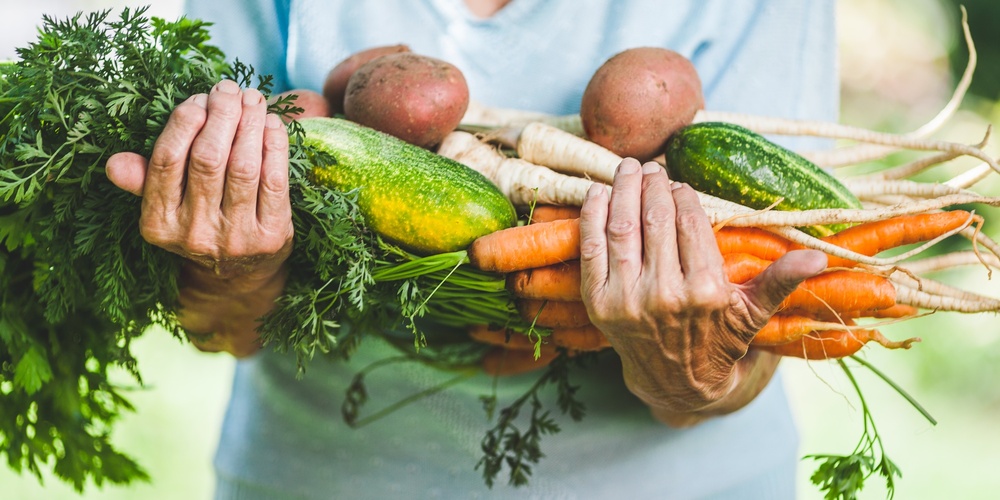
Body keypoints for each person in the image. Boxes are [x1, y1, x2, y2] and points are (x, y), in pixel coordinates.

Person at [106, 0, 837, 498]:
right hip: (324, 478)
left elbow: (768, 303)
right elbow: (220, 328)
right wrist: (229, 279)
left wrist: (691, 379)